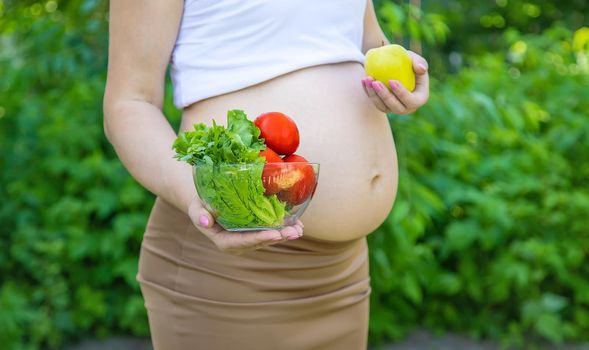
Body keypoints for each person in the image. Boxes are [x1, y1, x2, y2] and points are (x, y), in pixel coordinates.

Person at [103, 0, 429, 349]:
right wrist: (202, 201)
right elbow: (129, 103)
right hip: (233, 272)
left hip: (343, 270)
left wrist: (399, 78)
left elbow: (363, 43)